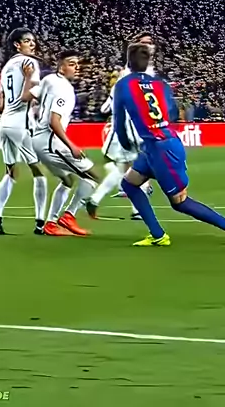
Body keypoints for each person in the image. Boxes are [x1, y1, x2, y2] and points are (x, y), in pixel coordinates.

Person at [114, 43, 225, 246]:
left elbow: (118, 122)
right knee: (128, 184)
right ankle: (158, 235)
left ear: (128, 62)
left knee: (180, 202)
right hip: (158, 145)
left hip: (161, 150)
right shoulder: (160, 84)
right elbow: (172, 112)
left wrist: (125, 143)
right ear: (148, 62)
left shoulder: (123, 85)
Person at [87, 31, 155, 220]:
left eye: (150, 43)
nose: (149, 47)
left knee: (124, 169)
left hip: (129, 129)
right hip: (133, 130)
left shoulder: (132, 74)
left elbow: (108, 104)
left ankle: (96, 199)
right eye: (145, 44)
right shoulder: (137, 75)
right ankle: (136, 209)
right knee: (138, 168)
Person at [31, 50, 99, 236]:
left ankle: (51, 224)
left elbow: (31, 97)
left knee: (67, 180)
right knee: (93, 177)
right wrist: (71, 145)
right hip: (51, 143)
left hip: (38, 139)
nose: (76, 67)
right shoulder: (64, 89)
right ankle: (69, 215)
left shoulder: (49, 79)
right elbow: (54, 122)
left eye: (77, 64)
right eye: (71, 64)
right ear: (61, 67)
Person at [0, 28, 48, 235]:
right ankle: (41, 222)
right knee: (39, 172)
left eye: (33, 40)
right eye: (27, 41)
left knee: (11, 172)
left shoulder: (6, 66)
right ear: (17, 44)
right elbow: (29, 95)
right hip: (20, 124)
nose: (32, 44)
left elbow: (1, 102)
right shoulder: (29, 63)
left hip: (4, 123)